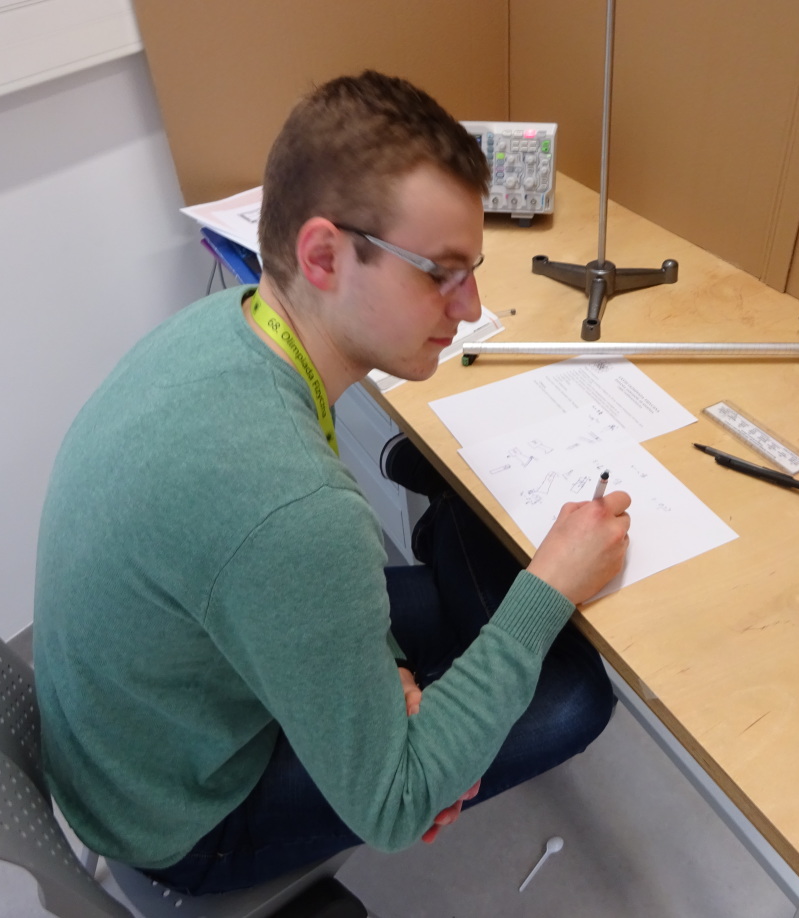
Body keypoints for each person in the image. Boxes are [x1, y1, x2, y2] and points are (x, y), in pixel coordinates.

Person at [33, 70, 632, 896]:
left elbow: (287, 572)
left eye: (472, 270)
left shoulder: (229, 323)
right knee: (570, 695)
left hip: (149, 721)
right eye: (440, 272)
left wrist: (384, 671)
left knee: (452, 610)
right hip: (179, 818)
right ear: (322, 255)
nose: (470, 307)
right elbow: (396, 808)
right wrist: (551, 586)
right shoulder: (296, 510)